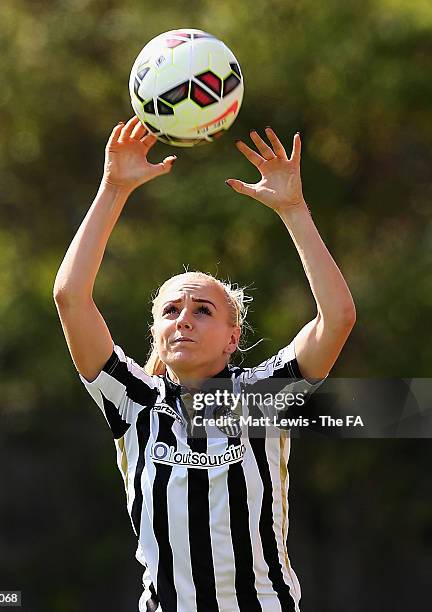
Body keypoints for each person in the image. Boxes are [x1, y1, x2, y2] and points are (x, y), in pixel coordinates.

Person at [53, 116, 356, 612]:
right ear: (156, 332)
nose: (184, 320)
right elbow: (70, 297)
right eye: (170, 311)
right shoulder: (133, 401)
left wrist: (294, 208)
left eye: (202, 310)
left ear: (232, 338)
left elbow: (338, 317)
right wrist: (114, 187)